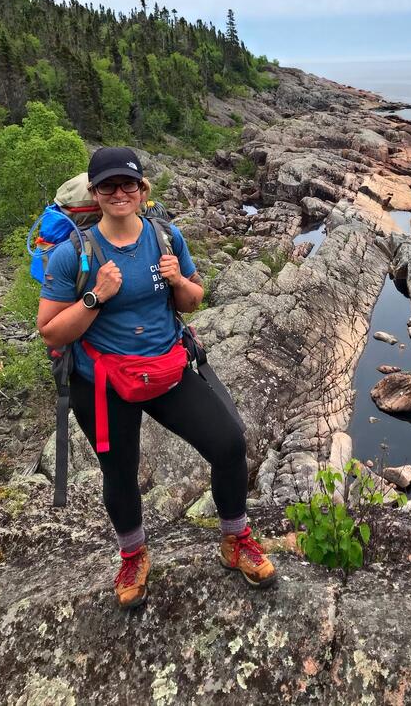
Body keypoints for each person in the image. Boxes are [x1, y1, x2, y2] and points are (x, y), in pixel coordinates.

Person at [37, 146, 276, 608]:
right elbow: (48, 327)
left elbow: (193, 301)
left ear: (143, 189)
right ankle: (133, 555)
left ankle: (235, 539)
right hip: (103, 381)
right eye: (108, 185)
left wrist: (179, 283)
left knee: (229, 441)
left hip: (166, 367)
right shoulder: (73, 255)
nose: (119, 192)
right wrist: (96, 298)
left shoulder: (166, 238)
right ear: (95, 192)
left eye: (129, 183)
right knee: (120, 472)